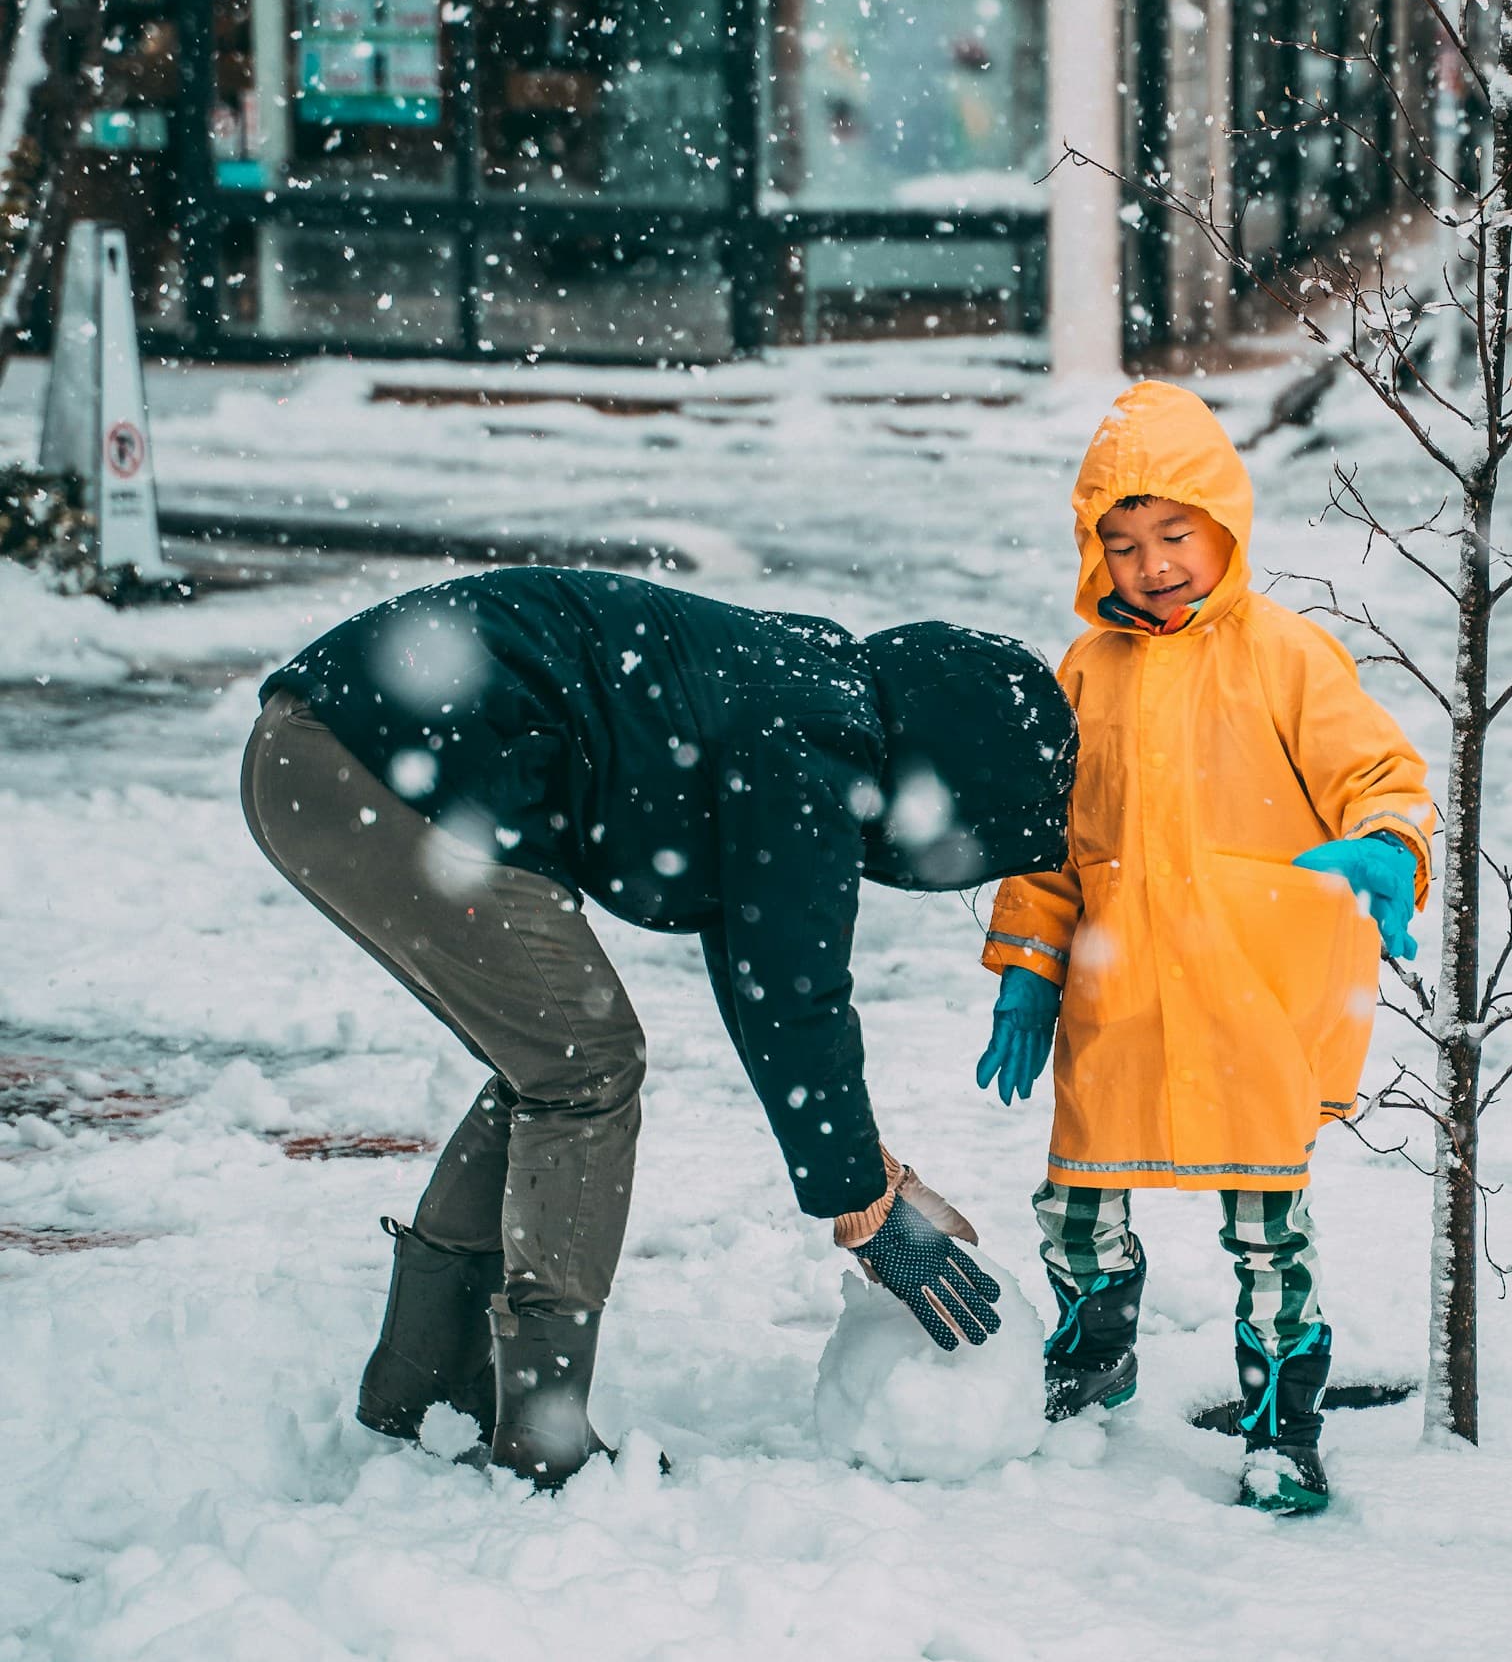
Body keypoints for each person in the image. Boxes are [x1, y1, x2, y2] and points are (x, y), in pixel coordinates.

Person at [243, 568, 1075, 1488]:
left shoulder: (804, 697)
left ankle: (424, 1386)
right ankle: (542, 1431)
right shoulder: (819, 748)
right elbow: (792, 993)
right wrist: (862, 1204)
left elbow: (763, 968)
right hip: (366, 760)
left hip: (328, 746)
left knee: (550, 1061)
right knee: (582, 1066)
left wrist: (865, 1181)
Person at [974, 381, 1434, 1519]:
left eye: (1175, 533)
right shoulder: (1084, 674)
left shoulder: (1286, 656)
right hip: (1116, 998)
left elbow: (1376, 774)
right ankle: (1092, 1353)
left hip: (1247, 999)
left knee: (1267, 1232)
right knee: (1077, 1207)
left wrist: (1388, 848)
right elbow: (1049, 841)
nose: (1153, 563)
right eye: (1121, 543)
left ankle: (1283, 1426)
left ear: (1225, 524)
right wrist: (1030, 971)